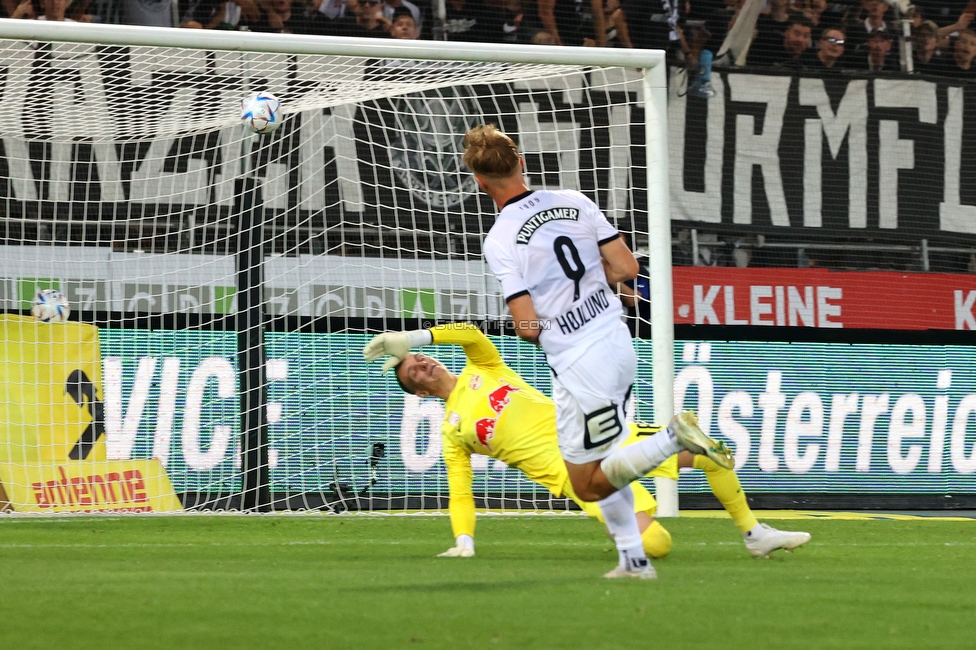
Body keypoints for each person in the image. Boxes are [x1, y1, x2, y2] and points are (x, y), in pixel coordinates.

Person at [460, 125, 734, 579]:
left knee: (586, 484)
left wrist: (550, 312)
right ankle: (633, 560)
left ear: (480, 182)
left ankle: (673, 440)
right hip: (616, 338)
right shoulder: (574, 200)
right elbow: (627, 267)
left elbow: (527, 326)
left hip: (577, 361)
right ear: (522, 163)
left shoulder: (500, 238)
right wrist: (591, 286)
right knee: (606, 462)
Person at [364, 323, 811, 559]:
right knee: (659, 546)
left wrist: (411, 337)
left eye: (420, 357)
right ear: (419, 391)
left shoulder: (486, 370)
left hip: (598, 436)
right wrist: (464, 539)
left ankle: (754, 534)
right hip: (578, 478)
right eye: (412, 371)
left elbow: (471, 334)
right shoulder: (452, 431)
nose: (421, 364)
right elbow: (460, 491)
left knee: (711, 454)